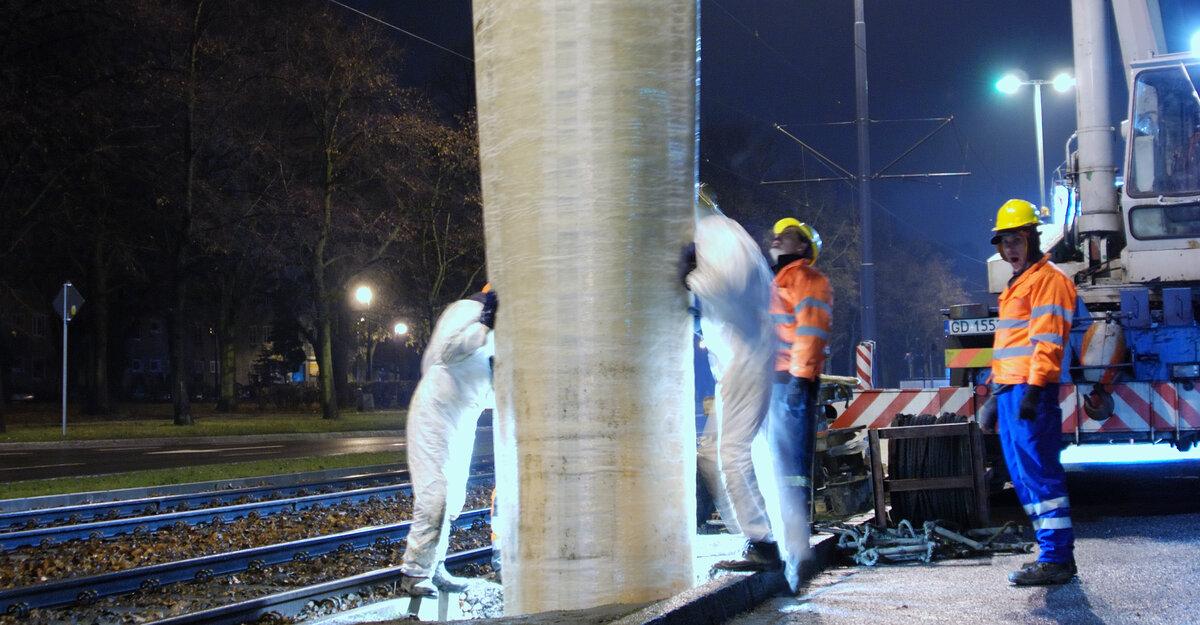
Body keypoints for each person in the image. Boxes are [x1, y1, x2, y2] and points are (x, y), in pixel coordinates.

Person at [681, 195, 778, 573]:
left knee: (732, 453)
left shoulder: (717, 233)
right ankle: (755, 534)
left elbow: (728, 283)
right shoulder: (716, 234)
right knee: (712, 453)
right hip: (738, 361)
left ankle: (764, 543)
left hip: (748, 358)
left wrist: (690, 276)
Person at [988, 198, 1078, 586]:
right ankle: (1050, 553)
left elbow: (1047, 342)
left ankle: (1057, 558)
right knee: (1023, 475)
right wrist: (996, 395)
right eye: (1004, 242)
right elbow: (1011, 346)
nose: (1010, 249)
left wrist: (1034, 389)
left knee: (1040, 474)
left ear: (1033, 238)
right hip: (1011, 390)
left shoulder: (1048, 280)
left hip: (1030, 391)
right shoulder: (1018, 283)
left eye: (1017, 240)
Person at [398, 285, 498, 597]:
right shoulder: (466, 311)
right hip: (435, 417)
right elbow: (447, 352)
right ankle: (414, 573)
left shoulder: (497, 334)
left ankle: (435, 565)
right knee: (435, 494)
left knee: (453, 497)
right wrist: (484, 324)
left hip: (462, 420)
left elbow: (484, 387)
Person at [767, 217, 831, 591]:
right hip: (774, 381)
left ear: (804, 247)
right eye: (776, 234)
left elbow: (811, 333)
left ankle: (797, 547)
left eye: (788, 234)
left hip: (790, 382)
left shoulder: (807, 279)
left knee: (790, 467)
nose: (778, 238)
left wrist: (800, 379)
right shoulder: (776, 282)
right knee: (778, 465)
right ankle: (789, 542)